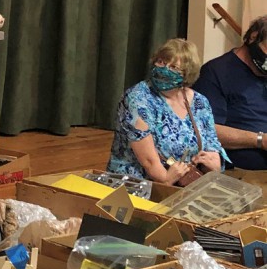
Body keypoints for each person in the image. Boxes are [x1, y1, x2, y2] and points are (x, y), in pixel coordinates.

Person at [107, 38, 227, 184]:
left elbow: (212, 145)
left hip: (187, 181)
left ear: (187, 74)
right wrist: (167, 179)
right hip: (139, 182)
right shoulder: (137, 98)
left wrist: (213, 164)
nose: (164, 70)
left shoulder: (200, 102)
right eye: (161, 62)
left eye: (174, 67)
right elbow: (149, 162)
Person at [193, 15, 267, 172]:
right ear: (253, 38)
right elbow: (205, 130)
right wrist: (260, 140)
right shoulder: (216, 72)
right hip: (240, 173)